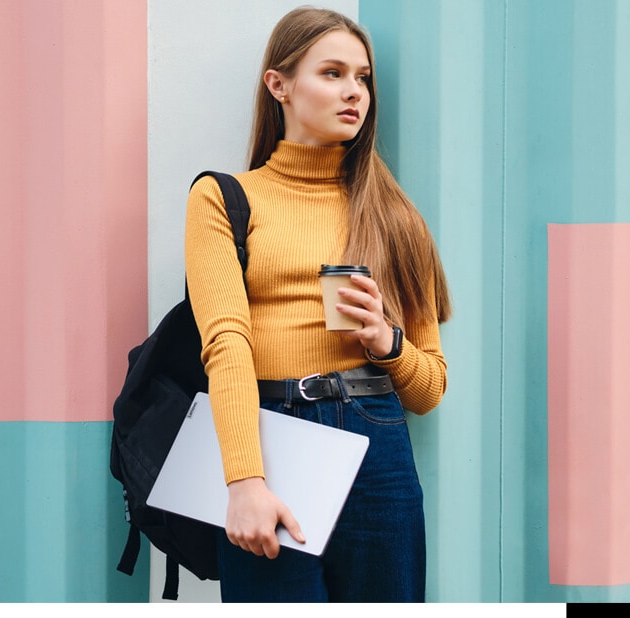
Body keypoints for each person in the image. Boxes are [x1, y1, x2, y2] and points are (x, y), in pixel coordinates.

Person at [184, 5, 451, 603]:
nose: (354, 91)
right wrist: (245, 480)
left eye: (363, 78)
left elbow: (429, 390)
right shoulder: (224, 199)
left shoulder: (395, 215)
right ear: (278, 84)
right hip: (272, 437)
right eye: (332, 73)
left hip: (376, 440)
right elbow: (226, 346)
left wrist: (386, 342)